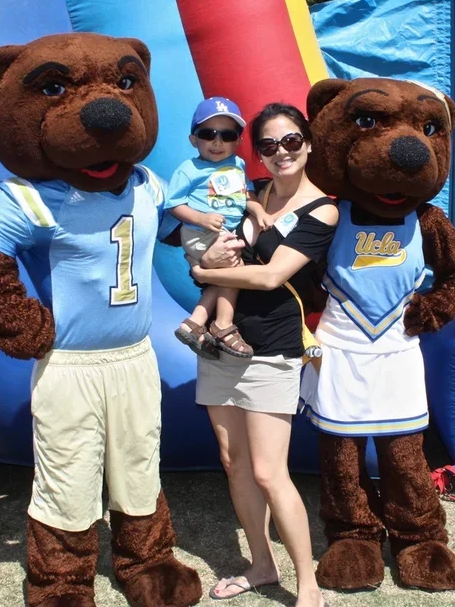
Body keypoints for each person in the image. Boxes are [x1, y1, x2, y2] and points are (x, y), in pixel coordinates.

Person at [190, 103, 338, 607]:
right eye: (269, 146)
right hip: (220, 344)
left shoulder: (323, 210)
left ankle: (309, 584)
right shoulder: (248, 193)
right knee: (234, 462)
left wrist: (206, 276)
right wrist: (205, 263)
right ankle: (260, 564)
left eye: (291, 141)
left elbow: (273, 275)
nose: (281, 153)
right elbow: (205, 244)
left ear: (308, 143)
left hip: (273, 349)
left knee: (269, 471)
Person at [167, 97, 273, 359]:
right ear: (194, 140)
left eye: (227, 135)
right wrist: (201, 218)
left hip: (223, 232)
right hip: (200, 232)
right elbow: (173, 204)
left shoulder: (237, 165)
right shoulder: (190, 169)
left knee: (222, 278)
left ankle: (194, 322)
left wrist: (258, 211)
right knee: (233, 270)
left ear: (237, 141)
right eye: (207, 134)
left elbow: (246, 194)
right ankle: (224, 326)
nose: (217, 142)